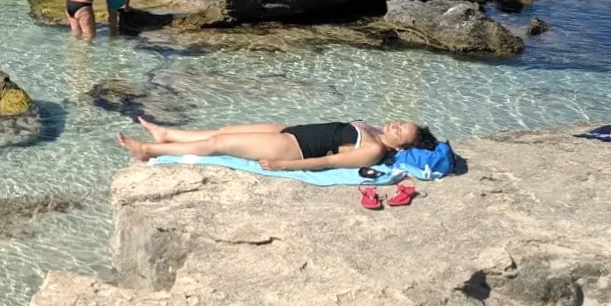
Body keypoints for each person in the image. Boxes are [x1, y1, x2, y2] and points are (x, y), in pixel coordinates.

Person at [117, 117, 439, 171]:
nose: (396, 125)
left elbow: (328, 162)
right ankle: (168, 135)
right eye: (401, 122)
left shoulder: (373, 150)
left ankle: (148, 150)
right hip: (294, 130)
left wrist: (285, 165)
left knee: (218, 144)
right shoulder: (373, 130)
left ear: (400, 147)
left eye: (401, 131)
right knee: (227, 129)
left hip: (294, 148)